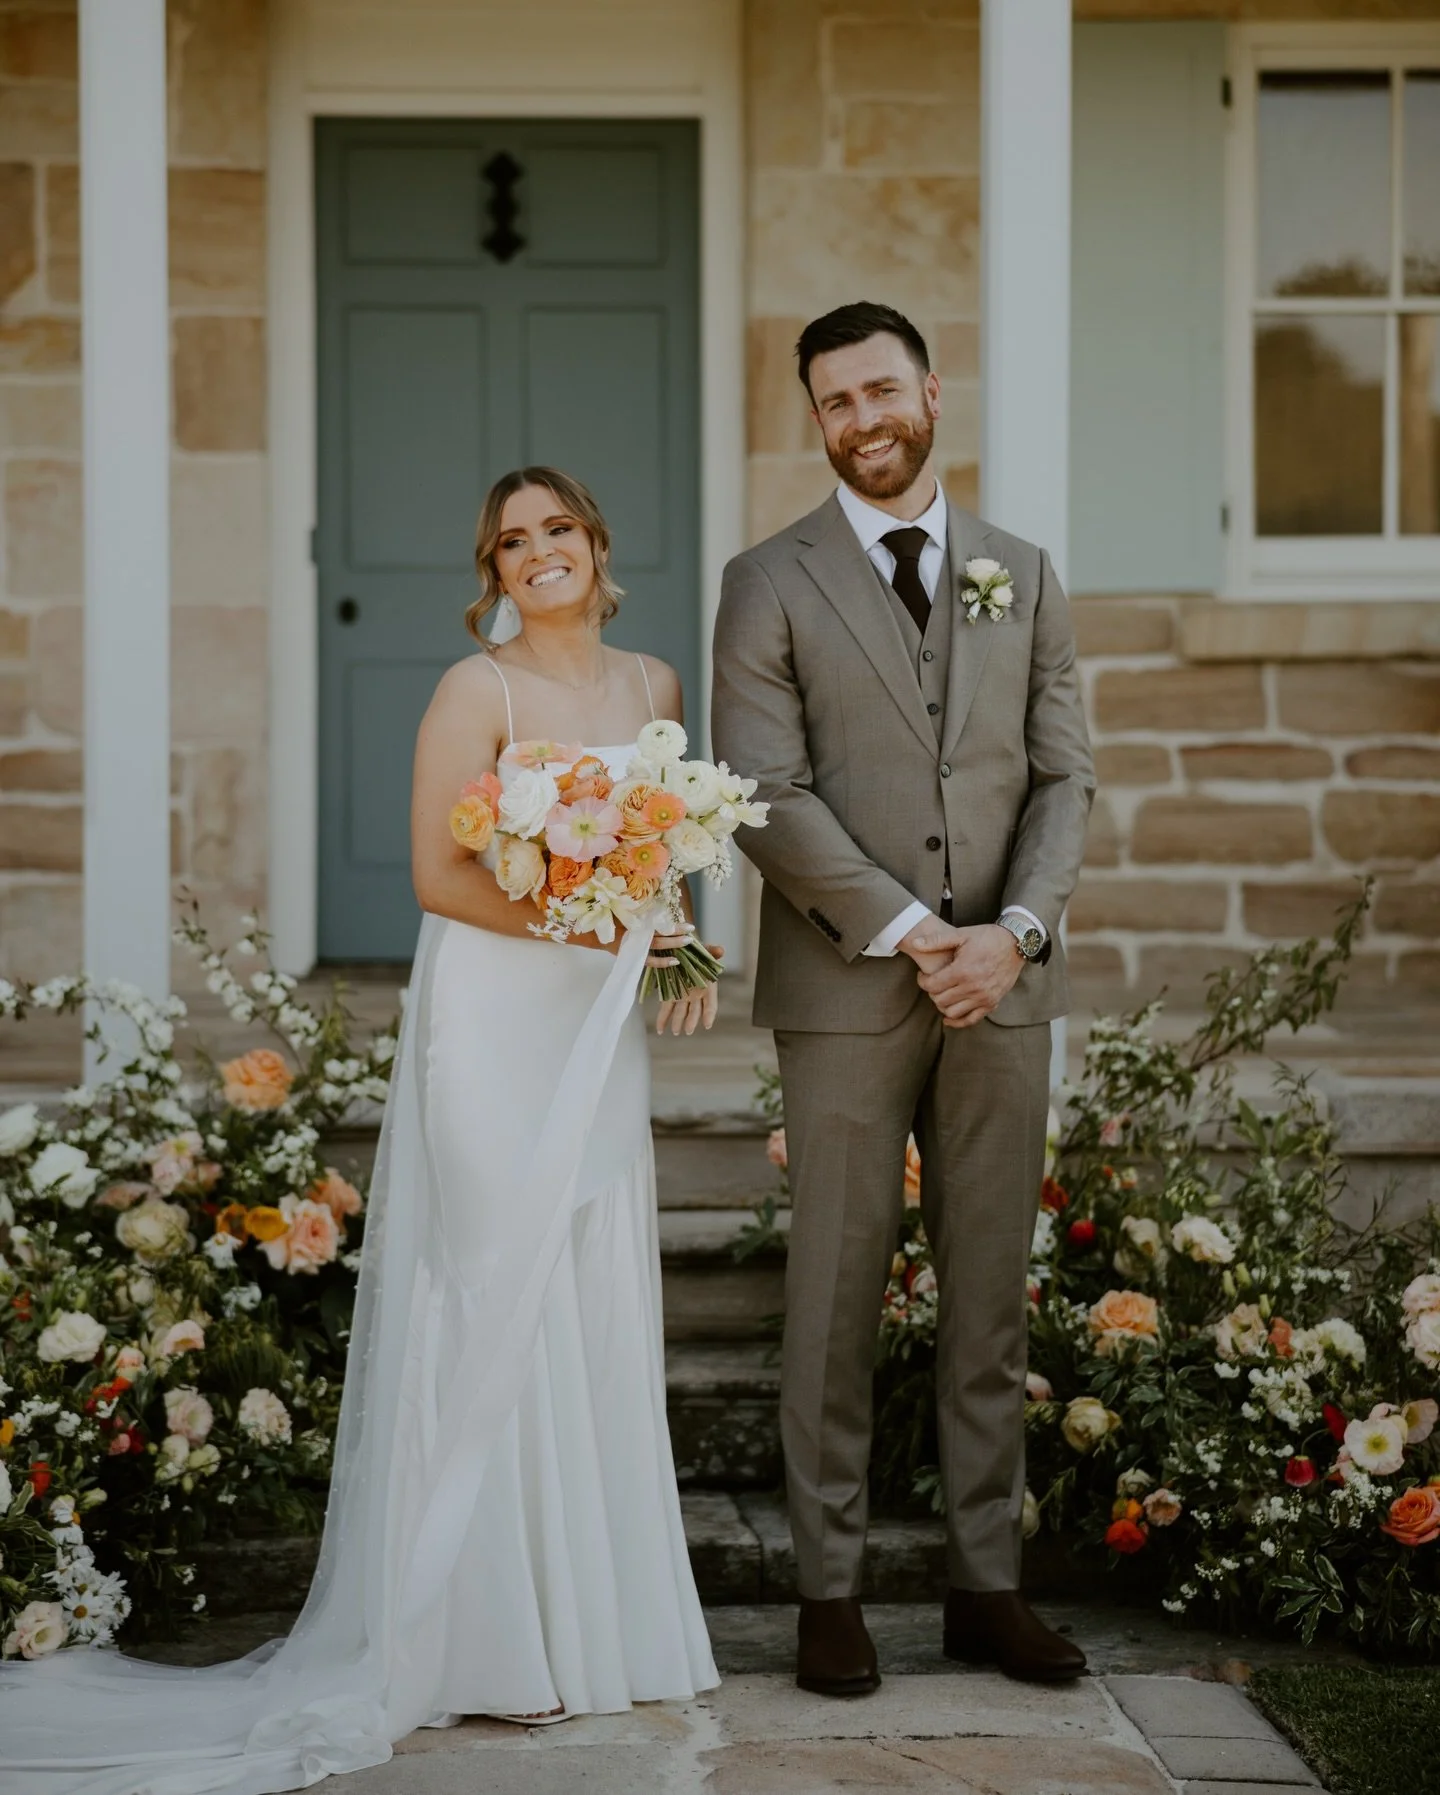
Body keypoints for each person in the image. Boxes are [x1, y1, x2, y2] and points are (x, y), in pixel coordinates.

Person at [0, 466, 718, 1793]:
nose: (539, 553)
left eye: (558, 529)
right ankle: (481, 1633)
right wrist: (597, 919)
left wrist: (674, 935)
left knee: (585, 1269)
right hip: (495, 1013)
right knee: (492, 1276)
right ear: (492, 569)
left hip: (594, 1021)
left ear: (599, 543)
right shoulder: (477, 690)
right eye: (512, 540)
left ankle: (597, 1623)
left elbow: (667, 854)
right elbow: (442, 872)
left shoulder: (657, 686)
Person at [712, 302, 1095, 1696]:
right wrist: (922, 927)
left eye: (881, 389)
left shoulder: (1026, 572)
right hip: (847, 987)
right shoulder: (767, 579)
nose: (862, 419)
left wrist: (1017, 932)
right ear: (816, 420)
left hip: (1006, 985)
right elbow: (763, 788)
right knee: (834, 1294)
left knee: (989, 1293)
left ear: (932, 392)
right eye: (834, 402)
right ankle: (831, 1592)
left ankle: (987, 1588)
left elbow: (1065, 777)